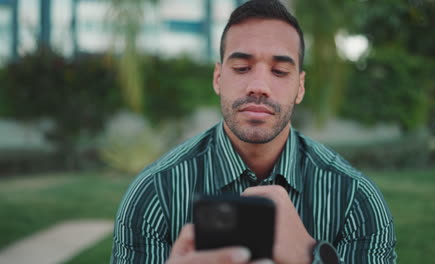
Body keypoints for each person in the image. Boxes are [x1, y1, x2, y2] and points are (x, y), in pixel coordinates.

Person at [111, 0, 397, 263]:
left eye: (280, 72)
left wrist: (310, 255)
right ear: (218, 78)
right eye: (242, 67)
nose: (259, 85)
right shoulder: (153, 194)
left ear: (300, 87)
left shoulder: (356, 200)